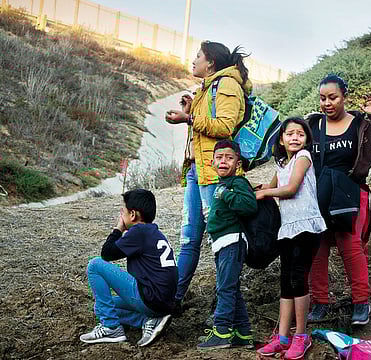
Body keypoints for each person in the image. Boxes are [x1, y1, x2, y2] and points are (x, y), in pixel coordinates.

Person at [165, 41, 252, 317]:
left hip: (216, 173)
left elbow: (225, 127)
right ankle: (173, 299)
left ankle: (226, 306)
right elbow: (207, 125)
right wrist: (192, 110)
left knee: (220, 239)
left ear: (211, 63)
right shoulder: (207, 87)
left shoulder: (226, 85)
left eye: (198, 56)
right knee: (189, 238)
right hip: (197, 170)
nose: (194, 60)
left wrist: (189, 119)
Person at [306, 74, 371, 325]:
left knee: (351, 246)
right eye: (323, 98)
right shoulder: (312, 125)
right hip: (319, 194)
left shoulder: (360, 124)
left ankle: (361, 302)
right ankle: (320, 302)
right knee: (317, 248)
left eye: (333, 97)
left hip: (351, 191)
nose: (327, 103)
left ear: (344, 96)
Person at [255, 117, 327, 360]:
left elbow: (290, 188)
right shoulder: (283, 163)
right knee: (286, 281)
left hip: (306, 226)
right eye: (290, 134)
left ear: (306, 139)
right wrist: (254, 188)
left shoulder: (303, 157)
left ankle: (301, 336)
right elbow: (272, 184)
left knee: (298, 279)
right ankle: (282, 337)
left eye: (300, 134)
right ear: (282, 138)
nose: (295, 138)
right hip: (287, 229)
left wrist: (265, 192)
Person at [80, 189, 178, 347]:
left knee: (95, 265)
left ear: (133, 214)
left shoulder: (138, 231)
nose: (121, 216)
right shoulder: (154, 233)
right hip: (162, 303)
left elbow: (107, 253)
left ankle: (111, 328)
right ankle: (148, 321)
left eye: (122, 211)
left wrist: (118, 229)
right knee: (102, 307)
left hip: (150, 298)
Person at [196, 139, 257, 350]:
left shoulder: (237, 183)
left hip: (233, 242)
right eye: (219, 158)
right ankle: (243, 333)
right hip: (222, 244)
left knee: (225, 288)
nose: (224, 162)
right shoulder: (222, 185)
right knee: (232, 288)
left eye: (229, 158)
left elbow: (249, 206)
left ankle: (221, 331)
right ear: (212, 162)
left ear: (237, 163)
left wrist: (226, 194)